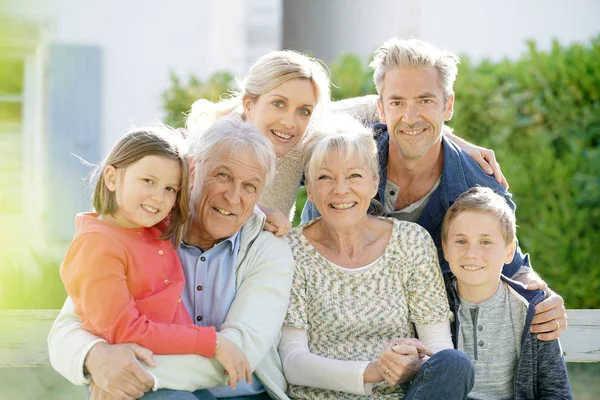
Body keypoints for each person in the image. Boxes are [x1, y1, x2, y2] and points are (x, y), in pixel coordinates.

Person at [301, 37, 567, 341]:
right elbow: (284, 135)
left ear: (448, 105)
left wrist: (542, 296)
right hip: (335, 335)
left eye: (425, 101)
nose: (410, 118)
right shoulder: (343, 157)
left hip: (436, 345)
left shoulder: (480, 186)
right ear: (380, 109)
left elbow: (512, 264)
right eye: (397, 102)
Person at [48, 116, 295, 400]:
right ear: (192, 170)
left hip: (239, 394)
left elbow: (239, 351)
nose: (233, 197)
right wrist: (94, 356)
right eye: (222, 176)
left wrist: (128, 376)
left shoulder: (268, 251)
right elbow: (70, 326)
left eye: (250, 186)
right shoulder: (137, 231)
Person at [187, 50, 508, 236]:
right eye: (278, 104)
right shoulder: (217, 143)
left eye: (303, 110)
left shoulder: (302, 135)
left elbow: (390, 107)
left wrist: (455, 140)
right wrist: (262, 214)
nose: (289, 121)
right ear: (248, 103)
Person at [279, 113, 474, 399]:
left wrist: (413, 364)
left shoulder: (411, 243)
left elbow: (438, 348)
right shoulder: (291, 251)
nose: (341, 189)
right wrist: (375, 370)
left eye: (354, 175)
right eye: (325, 177)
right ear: (309, 188)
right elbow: (293, 361)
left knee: (455, 365)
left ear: (374, 183)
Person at [442, 187, 572, 399]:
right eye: (461, 241)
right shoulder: (433, 302)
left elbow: (556, 392)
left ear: (509, 251)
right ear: (445, 249)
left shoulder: (530, 307)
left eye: (486, 242)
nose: (472, 253)